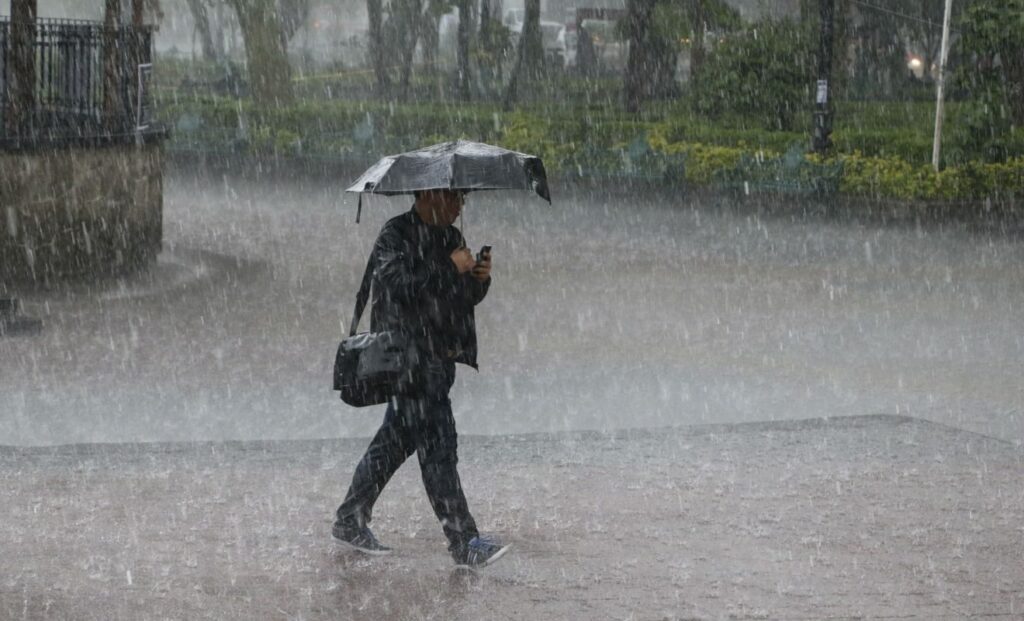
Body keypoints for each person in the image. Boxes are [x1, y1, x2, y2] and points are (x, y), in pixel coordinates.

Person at [332, 188, 511, 568]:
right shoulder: (394, 234)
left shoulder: (451, 237)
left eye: (463, 198)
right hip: (409, 361)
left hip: (439, 358)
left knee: (393, 443)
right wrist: (449, 267)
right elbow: (399, 287)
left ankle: (350, 518)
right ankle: (464, 540)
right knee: (439, 449)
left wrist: (478, 279)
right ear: (429, 195)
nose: (461, 205)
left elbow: (459, 297)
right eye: (454, 197)